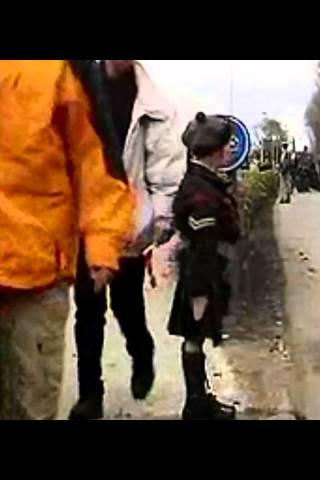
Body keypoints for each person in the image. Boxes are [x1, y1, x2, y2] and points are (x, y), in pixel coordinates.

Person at [0, 60, 134, 420]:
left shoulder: (61, 69)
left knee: (30, 405)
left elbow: (96, 160)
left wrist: (103, 244)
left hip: (36, 272)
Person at [69, 60, 185, 420]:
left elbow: (166, 172)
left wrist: (157, 225)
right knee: (88, 311)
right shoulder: (78, 82)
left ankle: (142, 352)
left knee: (126, 307)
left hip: (128, 225)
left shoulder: (155, 105)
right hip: (83, 220)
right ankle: (90, 394)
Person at [169, 112, 241, 420]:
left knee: (196, 337)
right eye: (224, 147)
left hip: (207, 270)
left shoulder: (205, 182)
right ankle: (196, 404)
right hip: (201, 273)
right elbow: (202, 247)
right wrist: (200, 291)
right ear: (213, 151)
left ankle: (199, 399)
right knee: (194, 336)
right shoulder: (200, 191)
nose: (229, 151)